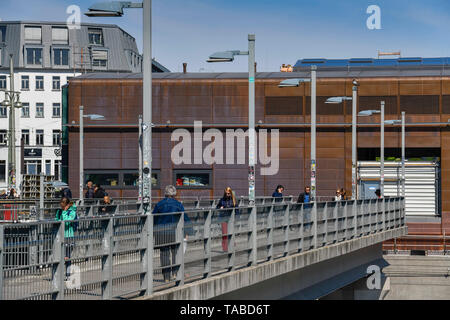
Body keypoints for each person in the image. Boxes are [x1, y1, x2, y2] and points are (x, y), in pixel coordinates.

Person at [152, 185, 192, 283]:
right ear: (174, 194)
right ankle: (175, 273)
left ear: (165, 193)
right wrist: (188, 231)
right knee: (175, 253)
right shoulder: (178, 205)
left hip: (161, 232)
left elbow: (153, 218)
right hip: (175, 232)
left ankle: (166, 277)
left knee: (164, 254)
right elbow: (184, 218)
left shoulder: (159, 204)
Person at [55, 197, 77, 278]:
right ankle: (59, 275)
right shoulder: (59, 211)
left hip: (68, 236)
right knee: (59, 256)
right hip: (60, 236)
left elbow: (67, 221)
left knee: (67, 256)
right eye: (61, 206)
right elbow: (57, 220)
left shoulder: (72, 212)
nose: (62, 208)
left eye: (63, 206)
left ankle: (67, 274)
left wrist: (64, 212)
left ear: (67, 205)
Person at [216, 187, 239, 252]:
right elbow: (217, 207)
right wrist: (220, 207)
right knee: (224, 234)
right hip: (223, 218)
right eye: (226, 193)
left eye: (228, 193)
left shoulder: (233, 200)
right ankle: (225, 249)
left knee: (231, 233)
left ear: (231, 193)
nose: (227, 195)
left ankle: (232, 246)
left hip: (231, 219)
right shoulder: (222, 200)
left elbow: (237, 210)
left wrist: (237, 218)